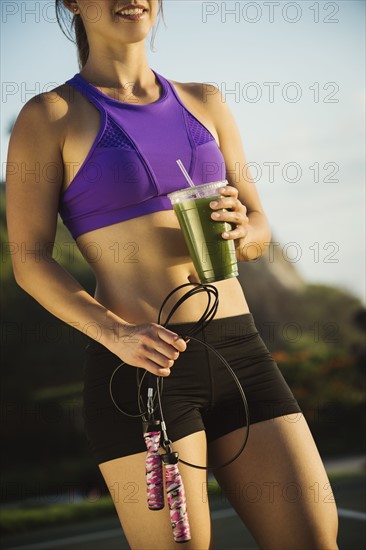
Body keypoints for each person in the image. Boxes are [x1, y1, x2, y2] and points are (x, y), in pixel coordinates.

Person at [6, 1, 339, 548]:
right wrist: (114, 333)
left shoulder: (205, 100)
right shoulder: (51, 117)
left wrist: (244, 229)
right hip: (142, 372)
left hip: (242, 354)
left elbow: (257, 227)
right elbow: (29, 260)